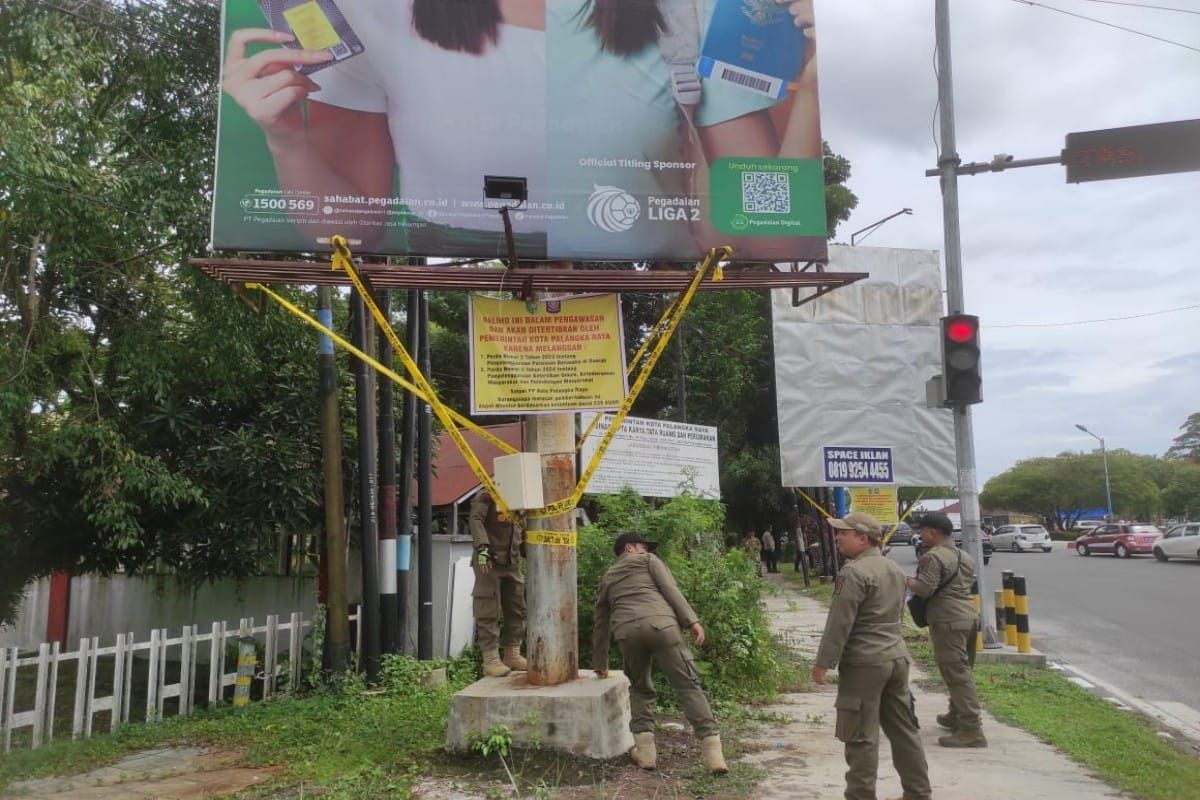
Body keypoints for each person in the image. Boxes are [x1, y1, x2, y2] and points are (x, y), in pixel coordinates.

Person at [812, 512, 932, 800]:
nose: (838, 537)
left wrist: (822, 663)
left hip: (865, 663)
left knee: (860, 736)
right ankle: (919, 793)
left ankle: (860, 795)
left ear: (862, 538)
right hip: (896, 658)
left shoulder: (853, 572)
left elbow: (839, 623)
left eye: (843, 533)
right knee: (905, 731)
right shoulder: (893, 569)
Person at [593, 532, 727, 774]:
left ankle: (646, 754)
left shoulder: (608, 576)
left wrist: (600, 662)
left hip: (627, 633)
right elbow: (671, 590)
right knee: (688, 685)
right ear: (630, 547)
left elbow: (601, 621)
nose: (648, 551)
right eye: (644, 546)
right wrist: (692, 621)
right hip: (663, 627)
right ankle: (714, 754)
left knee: (639, 687)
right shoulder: (648, 561)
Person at [908, 511, 987, 748]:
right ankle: (956, 714)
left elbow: (924, 589)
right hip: (969, 617)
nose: (920, 535)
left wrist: (902, 580)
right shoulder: (965, 556)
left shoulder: (932, 557)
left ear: (932, 532)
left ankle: (971, 729)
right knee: (962, 670)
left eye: (921, 531)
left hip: (948, 620)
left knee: (956, 674)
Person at [468, 489, 527, 677]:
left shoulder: (523, 496)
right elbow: (476, 520)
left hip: (512, 561)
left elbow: (524, 529)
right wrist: (482, 548)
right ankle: (491, 658)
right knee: (488, 606)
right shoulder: (488, 494)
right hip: (489, 560)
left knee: (517, 606)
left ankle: (512, 652)